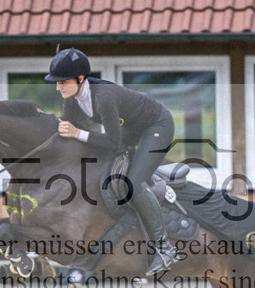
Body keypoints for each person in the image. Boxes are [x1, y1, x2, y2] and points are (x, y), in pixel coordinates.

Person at [45, 48, 178, 275]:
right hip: (132, 129)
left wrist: (78, 133)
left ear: (80, 79)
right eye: (56, 83)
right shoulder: (72, 99)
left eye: (62, 82)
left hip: (157, 125)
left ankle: (164, 246)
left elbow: (112, 142)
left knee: (133, 183)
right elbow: (66, 131)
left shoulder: (103, 97)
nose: (58, 88)